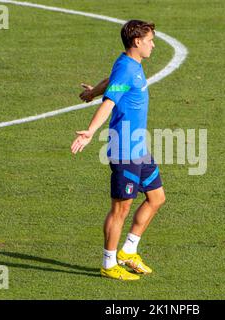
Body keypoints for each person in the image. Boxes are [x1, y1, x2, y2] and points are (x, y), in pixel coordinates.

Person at [71, 20, 165, 281]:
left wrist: (93, 92)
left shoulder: (129, 64)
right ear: (137, 42)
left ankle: (128, 251)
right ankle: (109, 263)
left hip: (139, 147)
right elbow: (110, 102)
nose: (153, 45)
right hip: (124, 149)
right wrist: (90, 131)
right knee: (120, 209)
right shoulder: (127, 68)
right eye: (150, 40)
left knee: (157, 198)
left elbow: (111, 82)